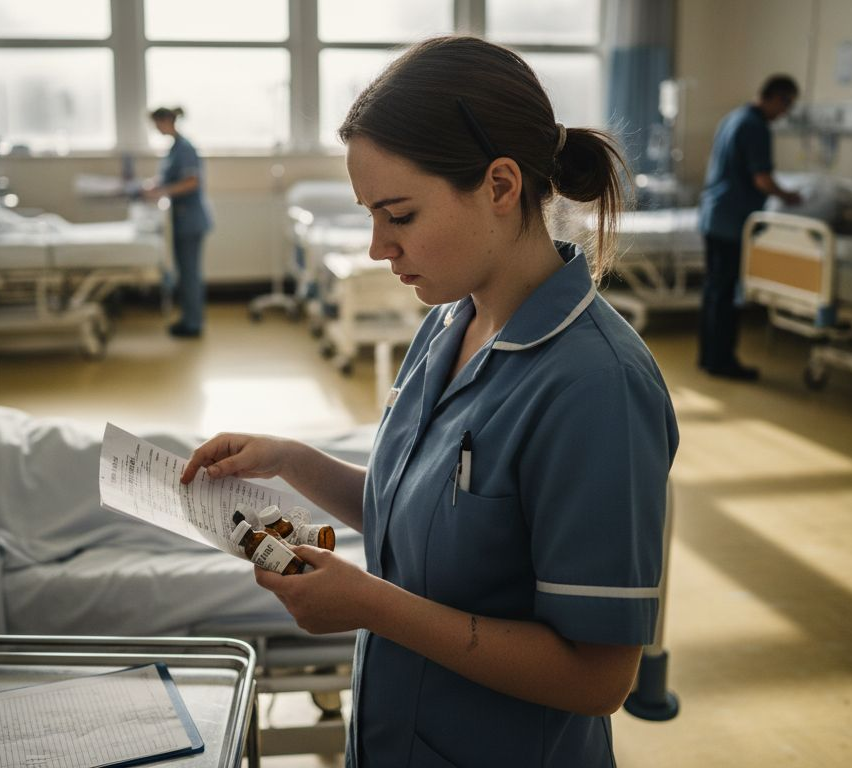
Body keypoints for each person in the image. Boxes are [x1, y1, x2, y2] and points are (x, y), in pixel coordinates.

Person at [179, 36, 678, 767]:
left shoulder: (596, 387)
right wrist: (292, 460)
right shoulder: (450, 323)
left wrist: (371, 605)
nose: (378, 247)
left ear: (500, 187)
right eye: (370, 215)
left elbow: (598, 678)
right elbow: (420, 512)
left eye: (400, 215)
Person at [697, 74, 803, 381]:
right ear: (778, 98)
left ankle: (708, 358)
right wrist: (789, 196)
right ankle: (722, 361)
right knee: (726, 294)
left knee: (713, 292)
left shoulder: (733, 118)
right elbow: (762, 179)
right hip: (732, 222)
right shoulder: (756, 127)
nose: (784, 113)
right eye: (787, 105)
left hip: (714, 214)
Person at [144, 106, 213, 338]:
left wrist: (161, 191)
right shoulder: (174, 148)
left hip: (190, 220)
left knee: (189, 274)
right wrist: (156, 185)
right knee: (184, 273)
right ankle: (188, 319)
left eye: (157, 123)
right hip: (182, 219)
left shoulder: (185, 148)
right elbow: (170, 178)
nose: (156, 128)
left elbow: (192, 182)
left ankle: (193, 324)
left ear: (166, 120)